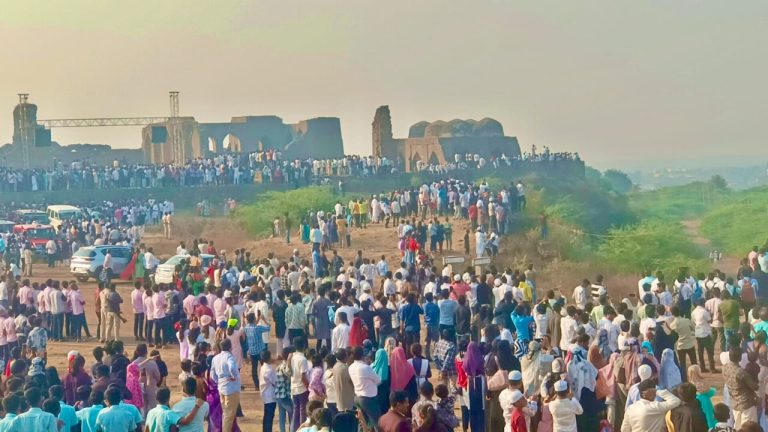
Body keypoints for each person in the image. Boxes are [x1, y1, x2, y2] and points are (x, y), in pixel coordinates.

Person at [722, 347, 759, 428]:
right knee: (749, 428)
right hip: (746, 403)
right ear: (740, 357)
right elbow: (755, 387)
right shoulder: (741, 372)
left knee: (738, 426)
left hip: (734, 402)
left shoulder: (725, 367)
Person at [211, 339, 242, 432]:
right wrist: (234, 376)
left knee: (226, 412)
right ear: (230, 347)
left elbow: (213, 374)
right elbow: (232, 367)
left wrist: (219, 381)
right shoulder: (229, 357)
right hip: (231, 388)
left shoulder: (215, 358)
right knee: (229, 414)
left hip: (221, 387)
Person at [348, 346, 382, 429]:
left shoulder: (351, 367)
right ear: (363, 355)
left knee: (363, 423)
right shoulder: (366, 368)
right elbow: (378, 381)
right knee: (377, 422)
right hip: (368, 399)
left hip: (357, 397)